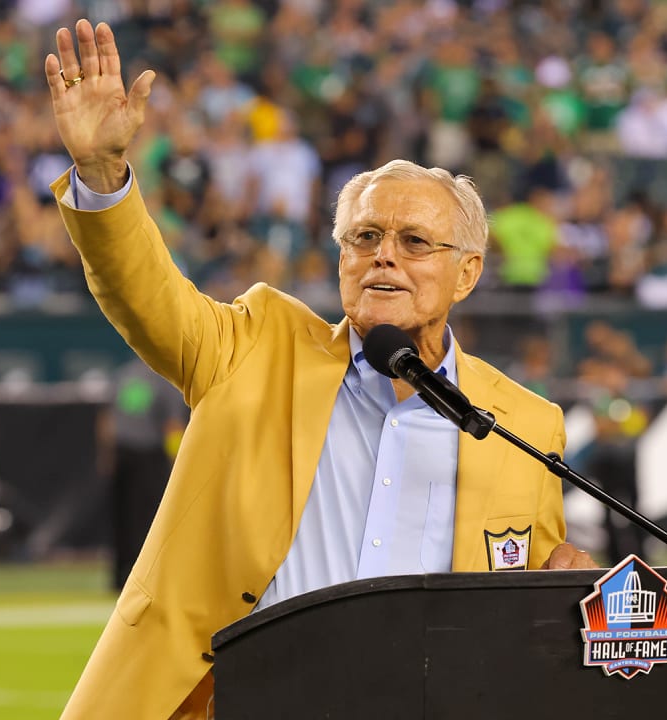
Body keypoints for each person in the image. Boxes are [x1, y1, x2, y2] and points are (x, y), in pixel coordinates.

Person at [44, 20, 596, 720]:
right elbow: (142, 294)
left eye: (414, 241)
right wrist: (101, 175)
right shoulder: (257, 344)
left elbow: (515, 612)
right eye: (364, 237)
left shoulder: (525, 425)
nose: (383, 255)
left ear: (467, 272)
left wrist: (556, 598)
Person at [97, 357, 190, 592]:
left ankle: (119, 577)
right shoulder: (165, 378)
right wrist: (177, 462)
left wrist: (106, 454)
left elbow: (106, 421)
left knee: (121, 518)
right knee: (148, 519)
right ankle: (144, 577)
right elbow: (173, 425)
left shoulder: (124, 374)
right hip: (148, 455)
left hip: (122, 452)